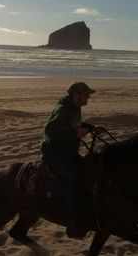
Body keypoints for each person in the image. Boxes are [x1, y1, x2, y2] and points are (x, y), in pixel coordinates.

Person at [40, 81, 105, 239]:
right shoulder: (62, 109)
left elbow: (75, 124)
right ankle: (71, 222)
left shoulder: (76, 108)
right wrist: (74, 134)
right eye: (86, 94)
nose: (89, 97)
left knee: (89, 171)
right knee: (72, 177)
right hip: (54, 153)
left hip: (68, 152)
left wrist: (91, 127)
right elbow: (50, 130)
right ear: (76, 94)